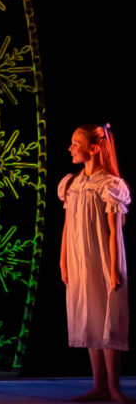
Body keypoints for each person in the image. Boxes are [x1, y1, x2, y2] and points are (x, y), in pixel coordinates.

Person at [60, 122, 129, 403]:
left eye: (76, 143)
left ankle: (113, 387)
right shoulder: (72, 184)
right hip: (79, 260)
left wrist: (113, 269)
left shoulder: (109, 184)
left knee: (107, 320)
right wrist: (63, 261)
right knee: (89, 318)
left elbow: (114, 231)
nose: (71, 148)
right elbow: (66, 226)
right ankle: (98, 385)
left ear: (94, 148)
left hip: (102, 261)